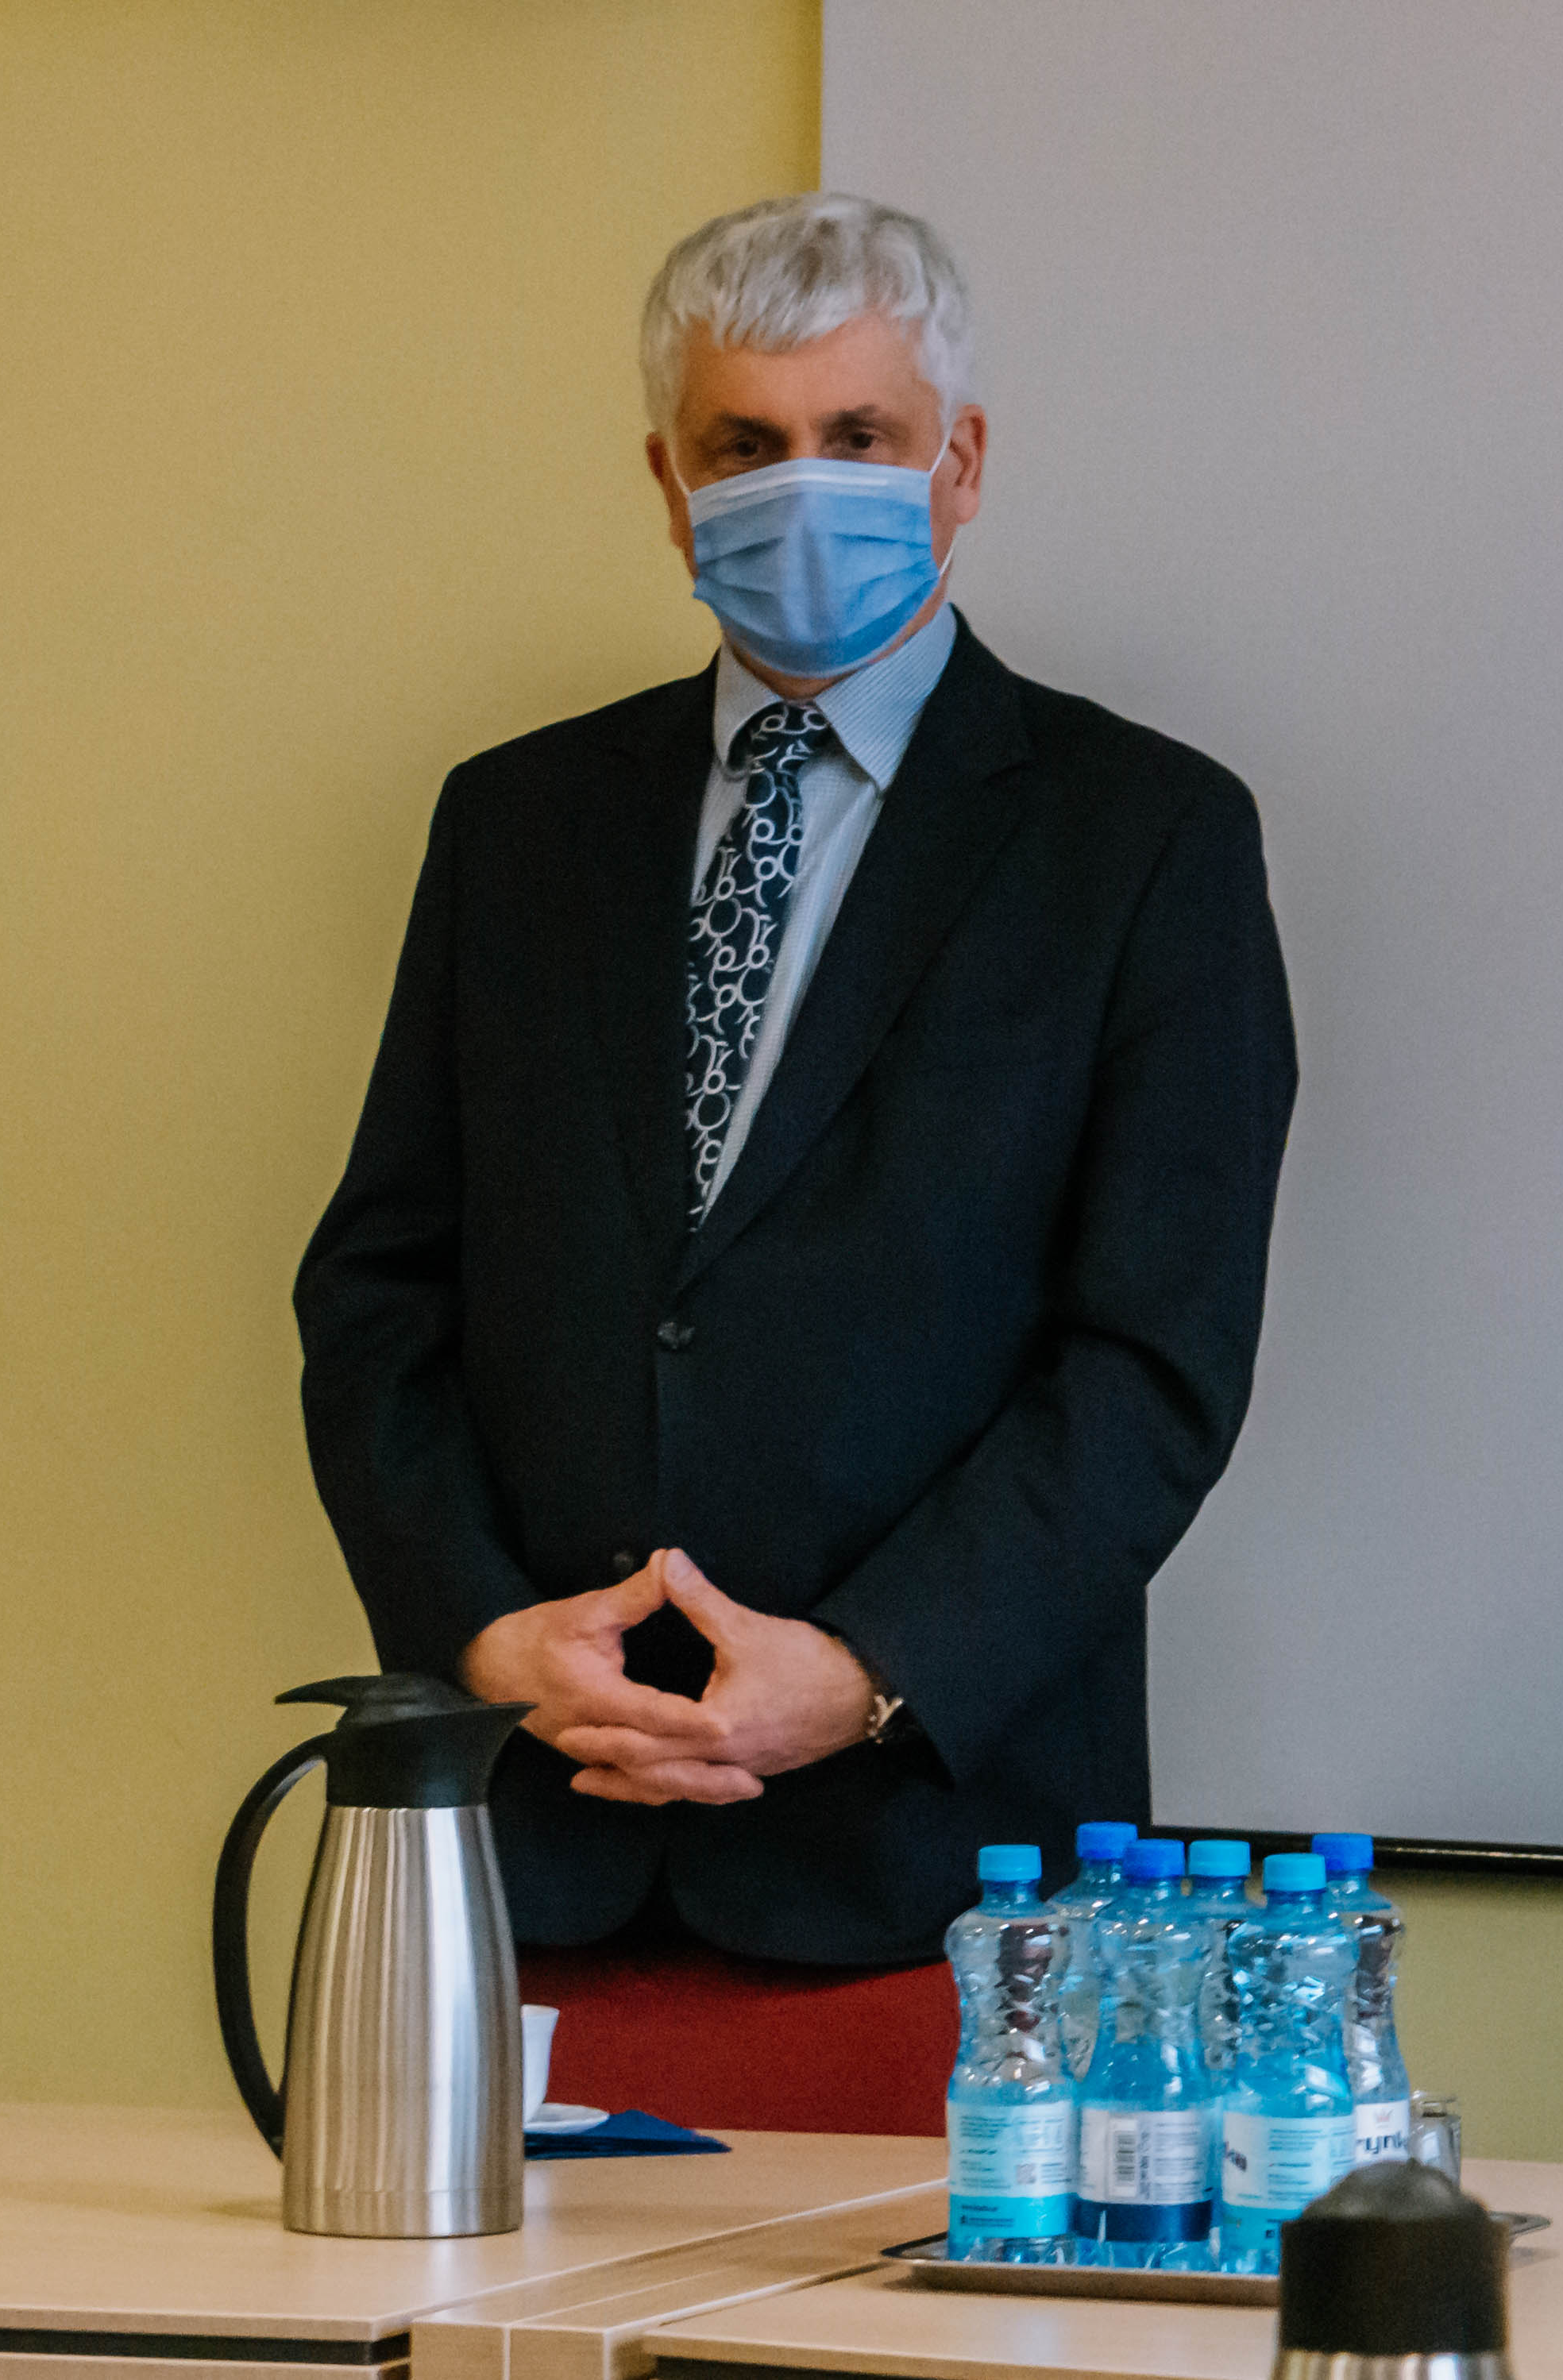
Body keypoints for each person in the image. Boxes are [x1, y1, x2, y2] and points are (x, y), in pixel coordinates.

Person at [295, 194, 1295, 1966]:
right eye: (745, 446)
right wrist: (485, 1640)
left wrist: (867, 1669)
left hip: (946, 1870)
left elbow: (1152, 1359)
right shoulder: (516, 821)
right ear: (670, 483)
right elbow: (379, 1293)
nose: (801, 488)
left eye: (859, 437)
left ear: (958, 464)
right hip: (533, 1835)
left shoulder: (1145, 839)